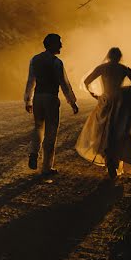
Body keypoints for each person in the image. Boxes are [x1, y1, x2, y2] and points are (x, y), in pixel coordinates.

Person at [75, 47, 131, 179]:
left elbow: (86, 81)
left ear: (108, 56)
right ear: (119, 57)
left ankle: (109, 163)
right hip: (120, 103)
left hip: (106, 101)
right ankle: (114, 163)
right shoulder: (124, 69)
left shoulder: (102, 68)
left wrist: (95, 95)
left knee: (102, 131)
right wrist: (125, 90)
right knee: (118, 132)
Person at [24, 33, 79, 175]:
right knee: (51, 131)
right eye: (59, 43)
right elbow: (64, 84)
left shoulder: (35, 60)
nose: (61, 45)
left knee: (38, 127)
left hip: (38, 97)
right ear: (52, 44)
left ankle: (33, 152)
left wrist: (28, 100)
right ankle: (47, 167)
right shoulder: (56, 62)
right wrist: (72, 102)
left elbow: (31, 81)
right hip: (51, 98)